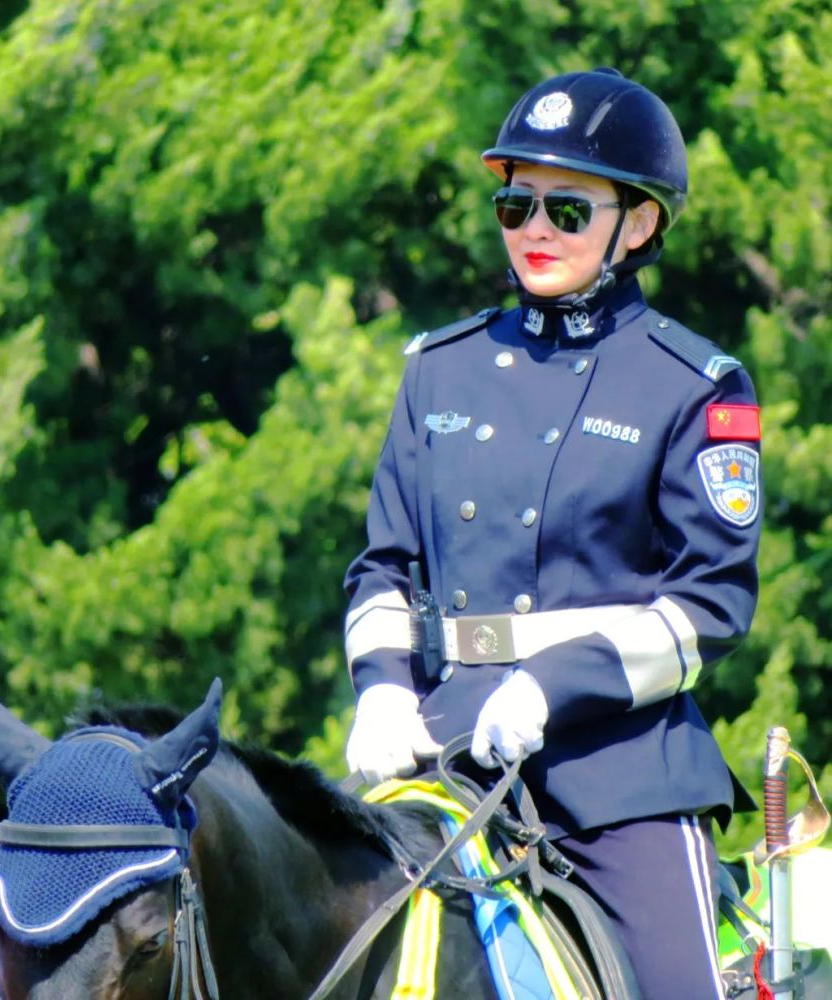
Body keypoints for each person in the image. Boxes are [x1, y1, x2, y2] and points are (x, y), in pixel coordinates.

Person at [343, 67, 761, 999]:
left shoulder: (693, 384)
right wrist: (379, 693)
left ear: (638, 223)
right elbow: (383, 568)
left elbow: (709, 605)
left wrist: (552, 683)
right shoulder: (438, 372)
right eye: (513, 203)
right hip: (443, 749)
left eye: (565, 210)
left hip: (622, 773)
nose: (532, 229)